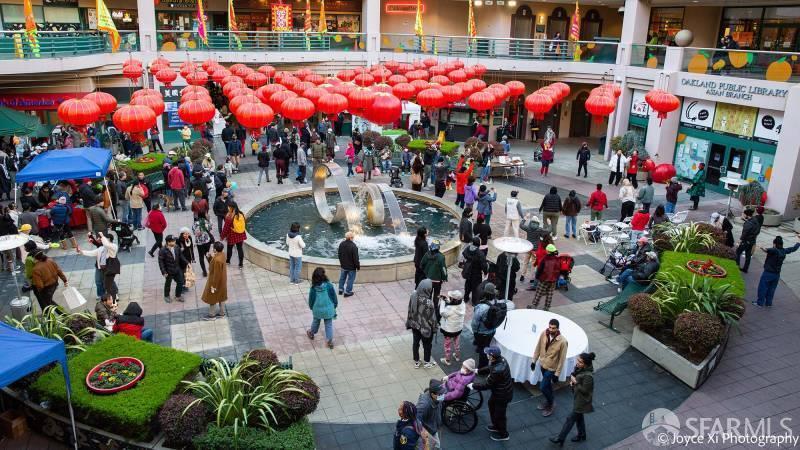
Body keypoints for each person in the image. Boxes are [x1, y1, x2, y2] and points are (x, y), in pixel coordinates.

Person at [550, 352, 596, 445]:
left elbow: (585, 390)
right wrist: (573, 381)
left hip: (582, 401)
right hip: (578, 398)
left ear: (586, 363)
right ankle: (582, 435)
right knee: (579, 418)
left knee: (570, 419)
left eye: (580, 362)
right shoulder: (581, 369)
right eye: (578, 360)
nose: (577, 363)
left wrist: (575, 382)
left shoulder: (588, 376)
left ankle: (560, 438)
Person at [469, 346, 514, 441]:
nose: (486, 355)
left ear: (492, 356)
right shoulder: (500, 360)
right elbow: (490, 367)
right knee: (491, 405)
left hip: (502, 395)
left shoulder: (498, 370)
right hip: (499, 392)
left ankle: (504, 434)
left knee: (500, 415)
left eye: (488, 354)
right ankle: (496, 426)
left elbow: (486, 385)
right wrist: (478, 371)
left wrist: (473, 386)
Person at [533, 318, 568, 417]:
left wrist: (557, 373)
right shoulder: (544, 333)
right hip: (543, 364)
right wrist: (534, 360)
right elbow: (538, 347)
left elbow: (562, 359)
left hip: (552, 368)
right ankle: (549, 401)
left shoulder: (563, 342)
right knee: (547, 385)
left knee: (543, 387)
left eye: (554, 328)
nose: (551, 330)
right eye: (550, 327)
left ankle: (551, 403)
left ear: (557, 328)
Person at [471, 284, 505, 368]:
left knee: (483, 349)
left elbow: (475, 321)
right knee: (485, 344)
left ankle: (483, 367)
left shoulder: (482, 307)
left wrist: (475, 331)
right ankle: (480, 349)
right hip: (492, 330)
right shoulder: (496, 303)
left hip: (481, 332)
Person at [406, 279, 438, 369]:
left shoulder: (413, 295)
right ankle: (427, 362)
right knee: (427, 345)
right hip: (425, 328)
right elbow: (433, 319)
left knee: (416, 343)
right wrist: (435, 328)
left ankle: (416, 361)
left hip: (414, 325)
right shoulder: (428, 303)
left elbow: (409, 309)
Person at [304, 267, 338, 349]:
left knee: (316, 321)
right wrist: (335, 304)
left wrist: (311, 307)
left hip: (317, 309)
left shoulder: (313, 288)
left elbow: (311, 299)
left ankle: (312, 333)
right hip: (328, 310)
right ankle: (329, 341)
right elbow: (334, 297)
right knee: (328, 324)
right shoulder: (329, 286)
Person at [416, 379, 446, 448]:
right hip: (428, 431)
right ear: (432, 394)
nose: (443, 395)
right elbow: (416, 421)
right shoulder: (424, 405)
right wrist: (425, 435)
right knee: (436, 446)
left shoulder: (437, 398)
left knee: (436, 446)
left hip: (434, 428)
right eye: (441, 394)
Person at [438, 290, 466, 366]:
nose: (449, 298)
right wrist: (446, 299)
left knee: (447, 345)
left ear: (453, 299)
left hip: (449, 330)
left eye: (450, 297)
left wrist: (443, 302)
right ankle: (457, 356)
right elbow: (454, 304)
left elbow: (442, 313)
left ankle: (447, 360)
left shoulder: (450, 309)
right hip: (458, 328)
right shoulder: (462, 304)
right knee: (456, 343)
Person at [519, 215, 549, 281]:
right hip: (535, 249)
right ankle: (532, 278)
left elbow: (521, 225)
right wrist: (549, 224)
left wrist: (525, 219)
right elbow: (547, 232)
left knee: (525, 262)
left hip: (528, 248)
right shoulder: (539, 229)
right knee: (534, 264)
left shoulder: (528, 228)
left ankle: (522, 275)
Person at [421, 240, 447, 316]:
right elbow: (443, 269)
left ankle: (427, 309)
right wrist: (445, 277)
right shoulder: (441, 257)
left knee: (428, 294)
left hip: (428, 279)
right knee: (436, 295)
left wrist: (426, 273)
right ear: (438, 248)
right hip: (437, 281)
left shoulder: (426, 255)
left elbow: (422, 264)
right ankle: (435, 310)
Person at [158, 235, 187, 303]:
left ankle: (178, 296)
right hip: (169, 271)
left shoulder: (176, 247)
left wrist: (187, 263)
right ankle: (166, 296)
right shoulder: (162, 250)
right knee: (168, 284)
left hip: (177, 269)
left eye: (174, 241)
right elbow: (161, 262)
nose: (175, 242)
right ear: (168, 242)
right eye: (173, 241)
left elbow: (181, 256)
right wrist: (164, 272)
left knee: (180, 282)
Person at [530, 244, 560, 311]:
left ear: (548, 251)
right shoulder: (557, 259)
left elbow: (539, 269)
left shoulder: (545, 259)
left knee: (539, 292)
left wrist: (537, 277)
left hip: (544, 279)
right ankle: (547, 307)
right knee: (550, 294)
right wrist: (556, 278)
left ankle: (534, 305)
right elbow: (558, 270)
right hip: (553, 280)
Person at [220, 202, 247, 268]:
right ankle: (241, 264)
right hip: (240, 234)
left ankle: (228, 261)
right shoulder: (241, 214)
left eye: (229, 207)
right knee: (240, 249)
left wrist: (222, 236)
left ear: (231, 208)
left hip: (231, 235)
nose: (228, 208)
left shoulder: (229, 217)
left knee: (229, 248)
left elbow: (225, 228)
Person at [736, 208, 761, 273]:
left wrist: (740, 240)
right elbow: (758, 231)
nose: (743, 215)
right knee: (748, 255)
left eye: (744, 214)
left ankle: (737, 265)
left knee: (738, 252)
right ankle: (745, 269)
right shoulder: (755, 220)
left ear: (747, 215)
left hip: (746, 241)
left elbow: (745, 233)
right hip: (752, 241)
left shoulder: (748, 224)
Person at [337, 231, 360, 297]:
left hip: (343, 266)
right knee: (350, 279)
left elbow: (339, 254)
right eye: (352, 237)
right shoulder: (353, 246)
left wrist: (341, 263)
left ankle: (340, 290)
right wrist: (358, 267)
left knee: (342, 278)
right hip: (351, 267)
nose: (353, 238)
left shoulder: (341, 244)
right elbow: (356, 259)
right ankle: (348, 292)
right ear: (350, 238)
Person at [193, 213, 214, 277]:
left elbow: (194, 232)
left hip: (199, 243)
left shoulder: (195, 223)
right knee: (208, 254)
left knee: (201, 257)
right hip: (206, 241)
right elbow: (210, 228)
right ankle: (212, 269)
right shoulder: (205, 222)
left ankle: (204, 272)